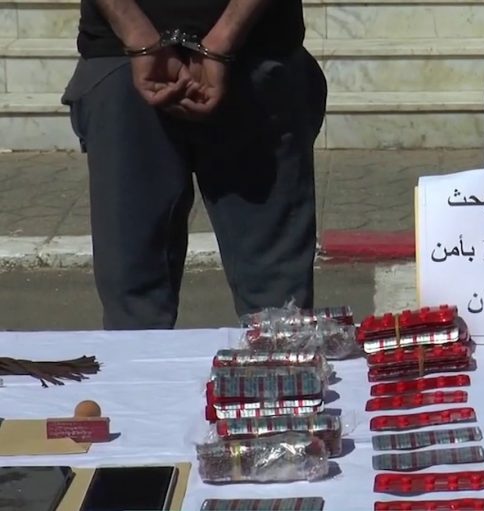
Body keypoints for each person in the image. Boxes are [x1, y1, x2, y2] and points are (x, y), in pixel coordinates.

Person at [62, 0, 327, 330]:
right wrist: (140, 35)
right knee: (134, 304)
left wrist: (144, 34)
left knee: (279, 310)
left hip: (255, 59)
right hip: (125, 64)